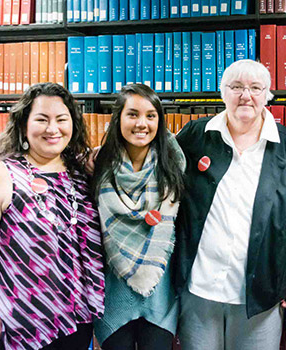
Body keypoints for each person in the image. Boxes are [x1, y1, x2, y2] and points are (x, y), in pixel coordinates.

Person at [0, 82, 105, 350]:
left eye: (61, 119)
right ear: (23, 125)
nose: (52, 128)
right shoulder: (0, 175)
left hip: (75, 325)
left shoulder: (81, 173)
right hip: (14, 328)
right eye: (42, 119)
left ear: (73, 125)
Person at [174, 59, 286, 350]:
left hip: (261, 289)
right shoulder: (195, 136)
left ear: (267, 95)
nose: (245, 95)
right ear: (222, 92)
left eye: (255, 88)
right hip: (199, 286)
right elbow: (155, 167)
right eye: (236, 87)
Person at [91, 83, 185, 350]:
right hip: (112, 296)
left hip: (161, 298)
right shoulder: (97, 166)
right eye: (132, 114)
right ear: (118, 118)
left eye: (150, 115)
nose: (141, 123)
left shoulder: (176, 164)